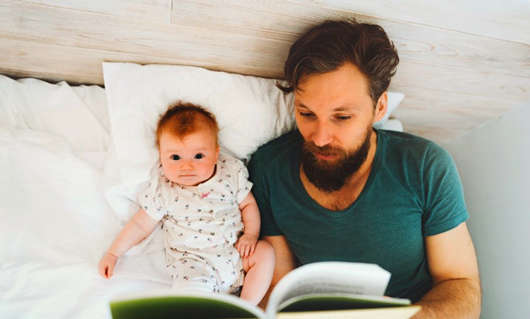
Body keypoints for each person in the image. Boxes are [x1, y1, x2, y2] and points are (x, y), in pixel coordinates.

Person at [248, 20, 481, 317]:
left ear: (379, 107)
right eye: (306, 113)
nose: (319, 138)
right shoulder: (270, 169)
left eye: (342, 117)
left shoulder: (425, 166)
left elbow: (460, 283)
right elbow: (278, 284)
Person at [98, 102, 274, 305]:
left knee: (266, 253)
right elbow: (139, 225)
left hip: (235, 255)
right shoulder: (164, 189)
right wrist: (113, 253)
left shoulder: (230, 173)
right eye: (175, 157)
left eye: (198, 156)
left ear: (216, 154)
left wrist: (251, 235)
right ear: (161, 157)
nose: (186, 166)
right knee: (190, 293)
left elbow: (248, 205)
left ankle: (247, 306)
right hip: (194, 263)